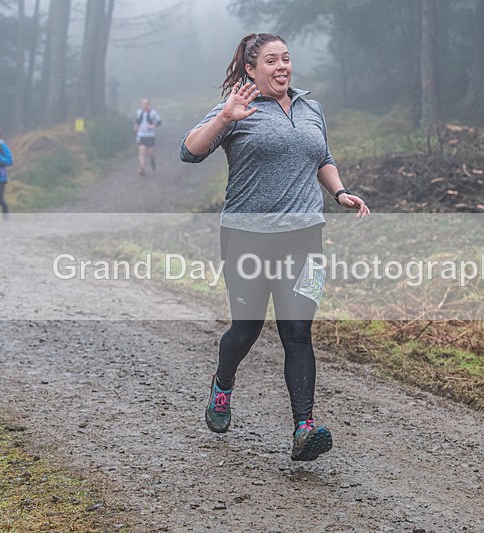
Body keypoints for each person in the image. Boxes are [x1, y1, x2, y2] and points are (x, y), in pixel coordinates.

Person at [180, 33, 369, 461]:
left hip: (305, 237)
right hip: (247, 237)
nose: (282, 66)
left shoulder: (310, 107)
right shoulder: (238, 105)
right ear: (251, 69)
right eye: (271, 60)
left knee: (297, 332)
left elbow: (322, 158)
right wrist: (224, 118)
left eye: (285, 58)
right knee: (246, 329)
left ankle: (304, 427)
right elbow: (189, 152)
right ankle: (223, 385)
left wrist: (340, 193)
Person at [134, 98, 162, 175]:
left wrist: (153, 125)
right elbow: (137, 120)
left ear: (149, 104)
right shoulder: (139, 112)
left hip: (150, 135)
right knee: (141, 151)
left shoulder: (153, 112)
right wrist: (136, 126)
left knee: (150, 153)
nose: (145, 105)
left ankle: (152, 159)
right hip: (141, 135)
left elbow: (159, 121)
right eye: (143, 104)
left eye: (146, 104)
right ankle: (142, 168)